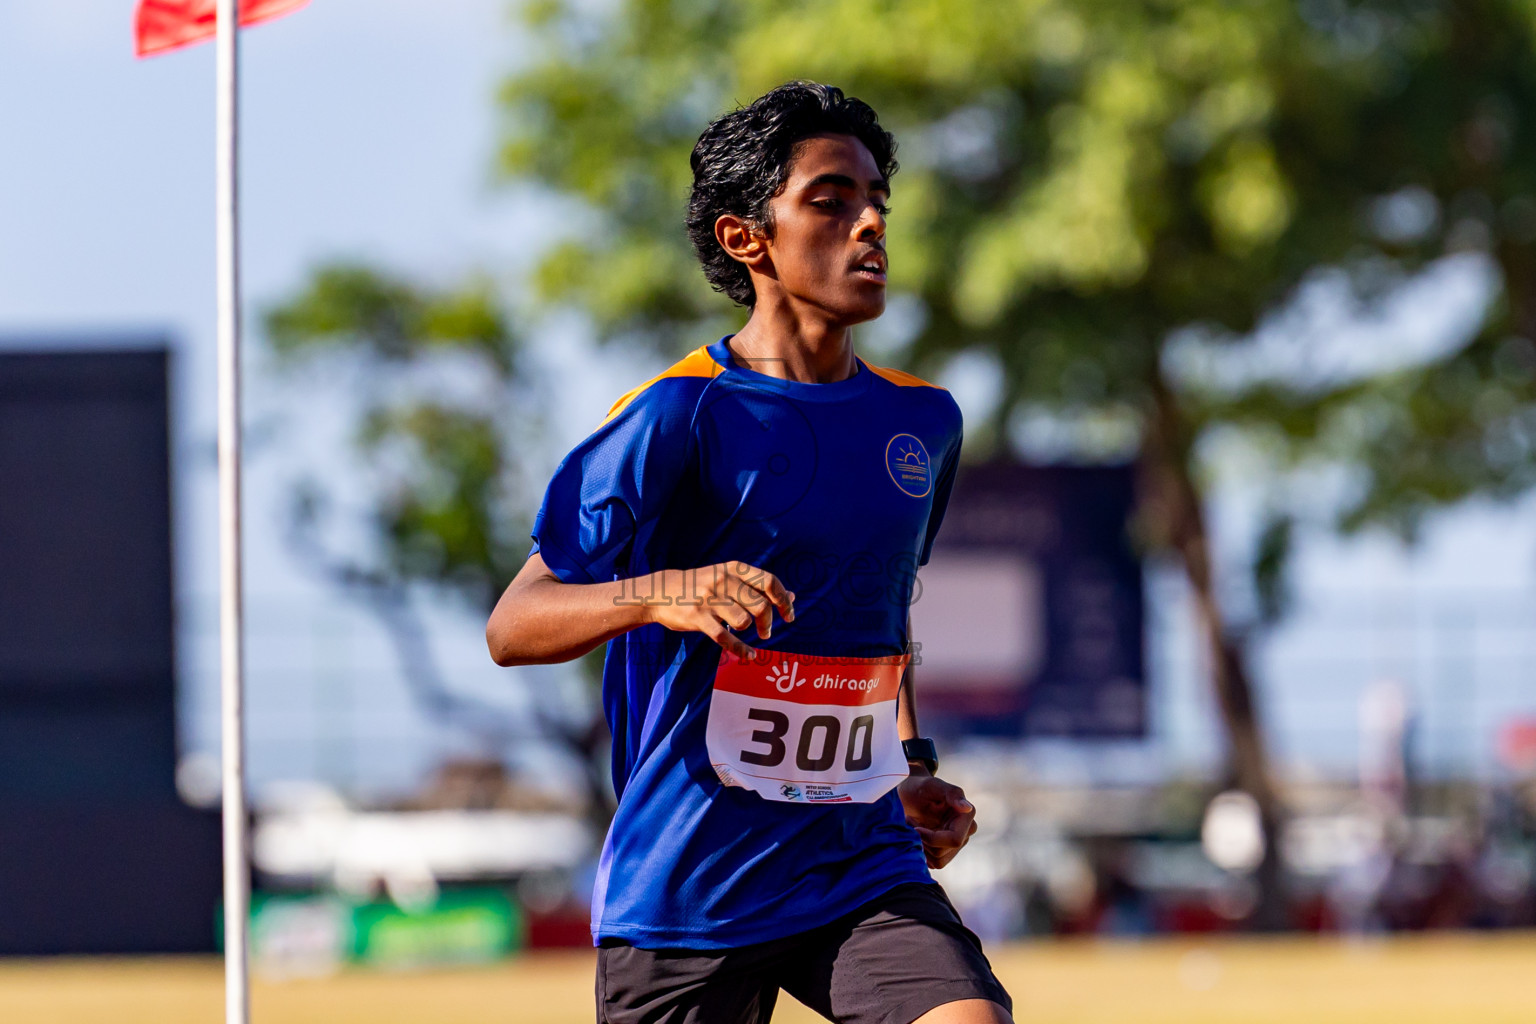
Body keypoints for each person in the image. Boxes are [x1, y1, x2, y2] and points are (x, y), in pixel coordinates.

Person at [487, 81, 1013, 1024]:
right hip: (692, 883)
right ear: (746, 238)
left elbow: (882, 613)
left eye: (876, 204)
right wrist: (659, 593)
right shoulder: (676, 414)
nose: (868, 226)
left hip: (857, 863)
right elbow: (514, 624)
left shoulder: (922, 422)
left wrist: (911, 764)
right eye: (830, 201)